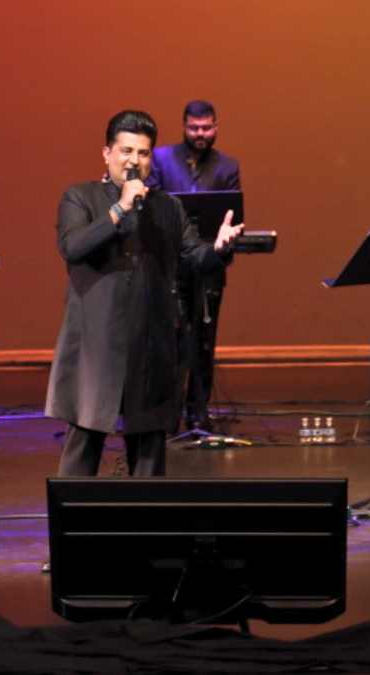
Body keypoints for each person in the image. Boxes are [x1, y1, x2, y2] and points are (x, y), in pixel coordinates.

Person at [45, 109, 244, 477]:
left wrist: (218, 249)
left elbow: (194, 257)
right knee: (84, 443)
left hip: (150, 344)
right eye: (126, 151)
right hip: (96, 345)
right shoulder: (80, 197)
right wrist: (120, 208)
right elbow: (73, 246)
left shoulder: (167, 207)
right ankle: (72, 513)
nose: (134, 161)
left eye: (143, 153)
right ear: (107, 153)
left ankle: (146, 515)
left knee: (149, 451)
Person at [146, 100, 240, 431]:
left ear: (216, 127)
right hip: (171, 266)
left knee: (204, 341)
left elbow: (232, 213)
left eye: (206, 128)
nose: (200, 134)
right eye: (194, 128)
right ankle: (167, 414)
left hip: (209, 266)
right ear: (184, 127)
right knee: (171, 341)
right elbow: (152, 206)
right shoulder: (161, 159)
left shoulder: (227, 165)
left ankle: (198, 411)